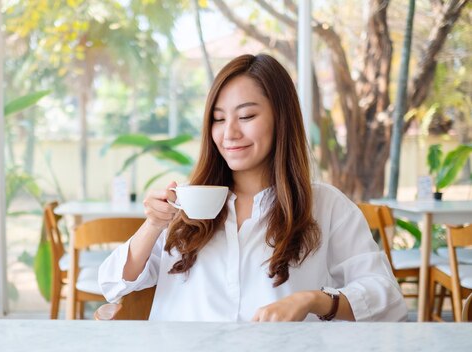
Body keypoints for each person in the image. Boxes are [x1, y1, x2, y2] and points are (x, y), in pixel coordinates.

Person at [98, 53, 407, 322]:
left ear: (281, 119)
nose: (229, 133)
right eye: (218, 120)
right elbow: (114, 283)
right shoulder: (188, 203)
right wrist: (153, 224)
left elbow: (387, 299)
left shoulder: (325, 206)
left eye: (246, 116)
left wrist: (314, 300)